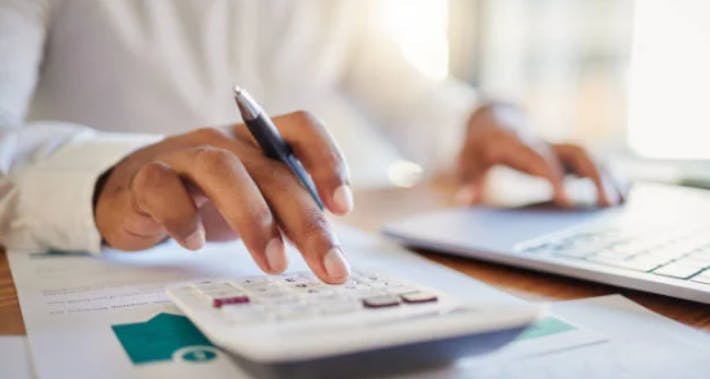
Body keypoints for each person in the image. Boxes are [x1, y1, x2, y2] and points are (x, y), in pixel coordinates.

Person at [0, 1, 620, 284]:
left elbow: (408, 96)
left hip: (294, 271)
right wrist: (106, 180)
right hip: (99, 275)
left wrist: (488, 120)